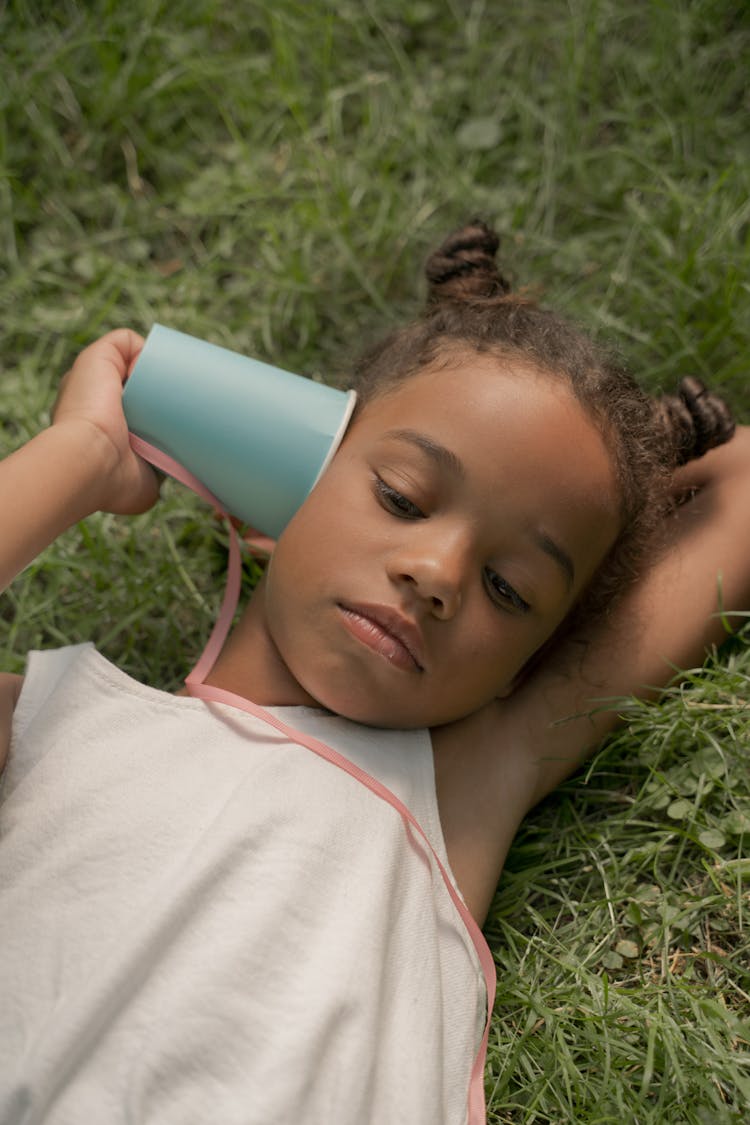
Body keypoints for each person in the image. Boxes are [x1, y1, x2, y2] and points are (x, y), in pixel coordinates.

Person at [1, 221, 748, 1125]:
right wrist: (83, 455)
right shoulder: (61, 723)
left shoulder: (462, 781)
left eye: (509, 589)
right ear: (283, 482)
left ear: (529, 665)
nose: (436, 575)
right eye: (399, 497)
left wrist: (629, 470)